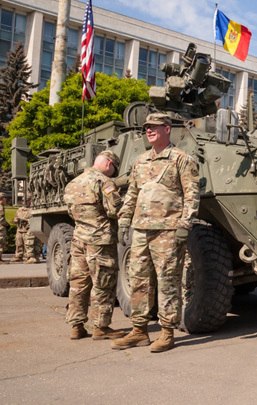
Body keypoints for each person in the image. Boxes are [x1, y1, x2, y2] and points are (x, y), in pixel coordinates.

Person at [112, 113, 199, 353]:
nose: (149, 130)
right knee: (138, 279)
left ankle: (167, 332)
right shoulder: (140, 161)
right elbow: (132, 194)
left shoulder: (181, 159)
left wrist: (185, 225)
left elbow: (192, 195)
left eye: (154, 127)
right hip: (140, 229)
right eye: (147, 127)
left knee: (168, 281)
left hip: (168, 230)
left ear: (167, 129)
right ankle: (139, 331)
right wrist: (123, 222)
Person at [64, 151, 125, 340]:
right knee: (103, 283)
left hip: (79, 239)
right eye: (113, 170)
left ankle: (76, 326)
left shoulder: (73, 183)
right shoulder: (104, 182)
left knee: (78, 283)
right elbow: (115, 210)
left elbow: (71, 212)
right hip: (100, 241)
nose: (112, 174)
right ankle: (101, 327)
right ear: (109, 164)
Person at [0, 192, 8, 264]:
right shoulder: (0, 207)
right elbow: (1, 219)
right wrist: (6, 224)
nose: (6, 200)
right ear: (3, 198)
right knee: (0, 243)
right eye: (5, 198)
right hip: (1, 228)